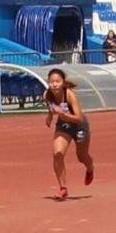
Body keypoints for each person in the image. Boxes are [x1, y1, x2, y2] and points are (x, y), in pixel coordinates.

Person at [43, 68, 93, 198]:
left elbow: (79, 118)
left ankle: (90, 168)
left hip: (79, 126)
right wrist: (49, 116)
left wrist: (64, 114)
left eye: (57, 81)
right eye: (52, 82)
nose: (54, 84)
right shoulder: (47, 95)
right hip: (63, 126)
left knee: (81, 156)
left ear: (63, 82)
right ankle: (63, 187)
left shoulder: (69, 94)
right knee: (57, 154)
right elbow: (51, 106)